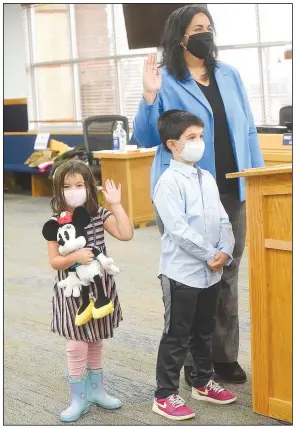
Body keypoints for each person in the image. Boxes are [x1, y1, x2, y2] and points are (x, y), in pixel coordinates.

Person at [133, 4, 264, 385]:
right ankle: (193, 360)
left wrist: (254, 180)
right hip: (184, 193)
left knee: (226, 269)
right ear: (180, 37)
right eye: (197, 27)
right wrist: (148, 95)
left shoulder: (229, 74)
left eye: (209, 26)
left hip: (231, 186)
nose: (206, 33)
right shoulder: (165, 78)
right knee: (190, 275)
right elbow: (144, 137)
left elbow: (249, 130)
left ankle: (223, 356)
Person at [152, 109, 236, 421]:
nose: (199, 143)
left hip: (211, 272)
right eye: (191, 138)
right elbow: (177, 230)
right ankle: (164, 395)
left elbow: (224, 219)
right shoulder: (168, 182)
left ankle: (202, 382)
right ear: (173, 145)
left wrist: (225, 251)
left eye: (200, 136)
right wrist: (210, 254)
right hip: (181, 274)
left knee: (204, 331)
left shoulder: (207, 178)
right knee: (177, 335)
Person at [45, 160, 133, 422]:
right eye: (67, 186)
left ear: (89, 187)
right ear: (58, 191)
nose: (74, 190)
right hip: (73, 291)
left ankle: (96, 391)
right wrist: (75, 257)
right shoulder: (55, 223)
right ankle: (78, 398)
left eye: (79, 184)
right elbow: (54, 261)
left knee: (95, 340)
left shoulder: (99, 214)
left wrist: (116, 204)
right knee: (76, 343)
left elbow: (126, 234)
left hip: (100, 288)